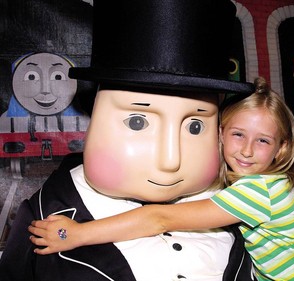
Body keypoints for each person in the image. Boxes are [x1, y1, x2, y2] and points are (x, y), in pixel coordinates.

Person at [0, 0, 256, 280]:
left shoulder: (239, 206)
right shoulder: (43, 214)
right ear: (95, 115)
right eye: (138, 122)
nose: (170, 160)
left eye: (195, 126)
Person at [29, 77, 294, 281]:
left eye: (263, 141)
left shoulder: (259, 191)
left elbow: (160, 218)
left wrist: (76, 234)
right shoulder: (258, 185)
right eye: (239, 135)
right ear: (220, 135)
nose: (248, 150)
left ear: (281, 150)